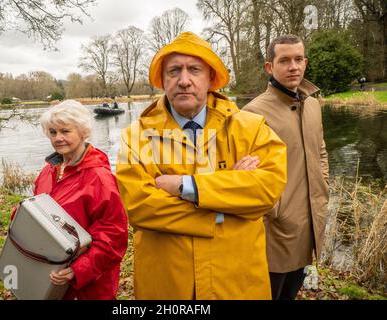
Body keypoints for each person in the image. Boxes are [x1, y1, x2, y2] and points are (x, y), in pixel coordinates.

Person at [115, 32, 287, 299]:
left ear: (210, 79)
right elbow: (140, 208)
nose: (184, 80)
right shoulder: (135, 137)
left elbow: (268, 190)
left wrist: (187, 186)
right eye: (174, 71)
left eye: (194, 70)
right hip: (167, 287)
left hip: (236, 284)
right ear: (163, 80)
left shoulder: (251, 128)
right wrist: (226, 204)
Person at [242, 34, 330, 300]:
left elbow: (321, 151)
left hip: (311, 221)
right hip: (276, 231)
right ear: (270, 67)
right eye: (284, 60)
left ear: (306, 62)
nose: (293, 66)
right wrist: (277, 211)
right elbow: (247, 175)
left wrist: (323, 187)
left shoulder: (313, 105)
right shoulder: (252, 114)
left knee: (291, 292)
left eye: (298, 59)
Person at [22, 99, 128, 299]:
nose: (58, 138)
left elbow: (113, 237)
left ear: (83, 132)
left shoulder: (99, 178)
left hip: (89, 287)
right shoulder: (48, 171)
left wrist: (77, 270)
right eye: (53, 132)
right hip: (51, 276)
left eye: (65, 131)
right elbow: (36, 216)